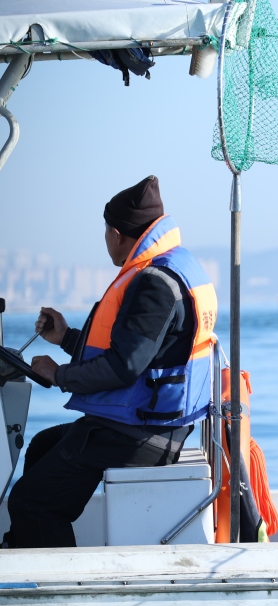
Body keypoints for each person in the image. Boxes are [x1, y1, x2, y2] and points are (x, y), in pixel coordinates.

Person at [2, 176, 217, 549]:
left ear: (117, 234)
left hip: (139, 436)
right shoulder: (172, 268)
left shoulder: (153, 284)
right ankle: (19, 552)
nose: (105, 240)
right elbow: (139, 357)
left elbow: (123, 368)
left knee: (31, 503)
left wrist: (59, 374)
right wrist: (67, 337)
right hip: (149, 426)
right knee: (40, 446)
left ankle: (56, 593)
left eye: (105, 232)